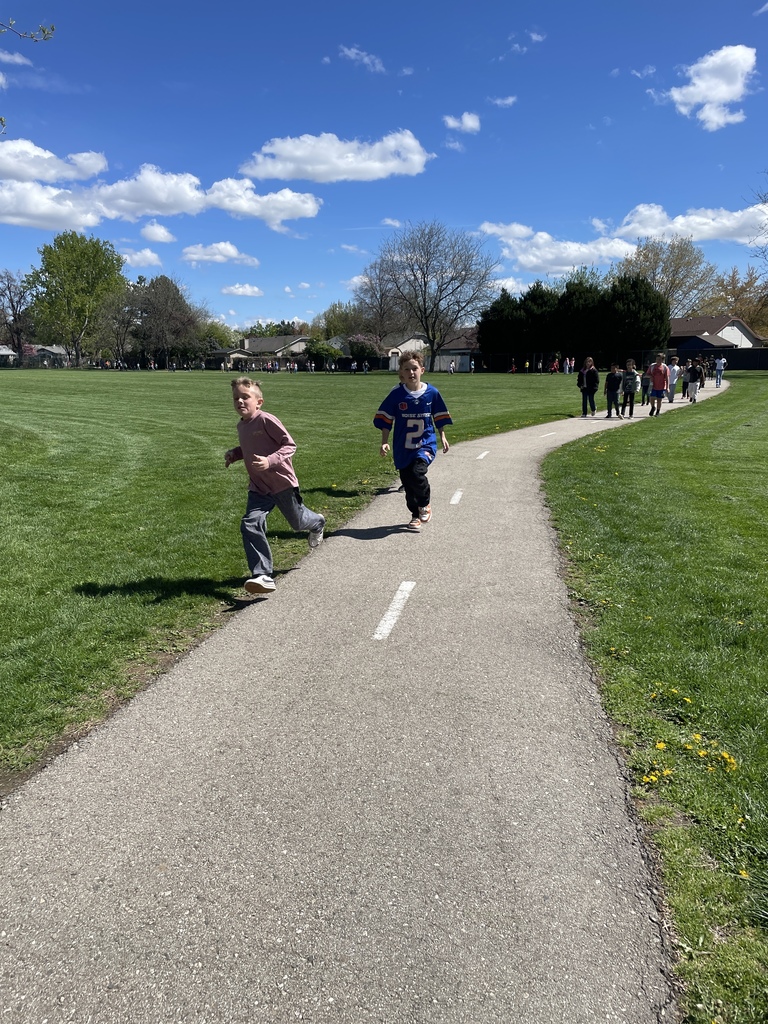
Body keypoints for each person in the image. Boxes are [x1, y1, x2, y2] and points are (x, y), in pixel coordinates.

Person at [225, 377, 325, 595]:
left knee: (298, 522)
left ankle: (317, 522)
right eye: (236, 398)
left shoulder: (266, 420)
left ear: (259, 402)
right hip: (259, 487)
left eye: (245, 397)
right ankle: (262, 574)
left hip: (282, 483)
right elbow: (249, 447)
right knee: (250, 523)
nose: (240, 402)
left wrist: (270, 461)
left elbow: (289, 445)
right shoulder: (242, 426)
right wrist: (235, 454)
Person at [373, 351, 452, 532]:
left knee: (418, 472)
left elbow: (439, 416)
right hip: (403, 447)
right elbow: (386, 419)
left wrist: (443, 436)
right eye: (406, 369)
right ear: (401, 372)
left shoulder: (431, 393)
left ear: (422, 370)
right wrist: (384, 441)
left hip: (425, 444)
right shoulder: (396, 394)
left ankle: (425, 504)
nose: (411, 373)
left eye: (414, 368)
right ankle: (415, 515)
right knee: (408, 483)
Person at [647, 352, 670, 416]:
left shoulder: (665, 367)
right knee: (651, 397)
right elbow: (647, 374)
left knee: (659, 399)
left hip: (662, 386)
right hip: (653, 385)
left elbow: (667, 378)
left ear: (662, 360)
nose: (658, 361)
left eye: (659, 359)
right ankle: (653, 407)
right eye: (657, 359)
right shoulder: (652, 366)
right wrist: (650, 376)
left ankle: (658, 411)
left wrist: (667, 387)